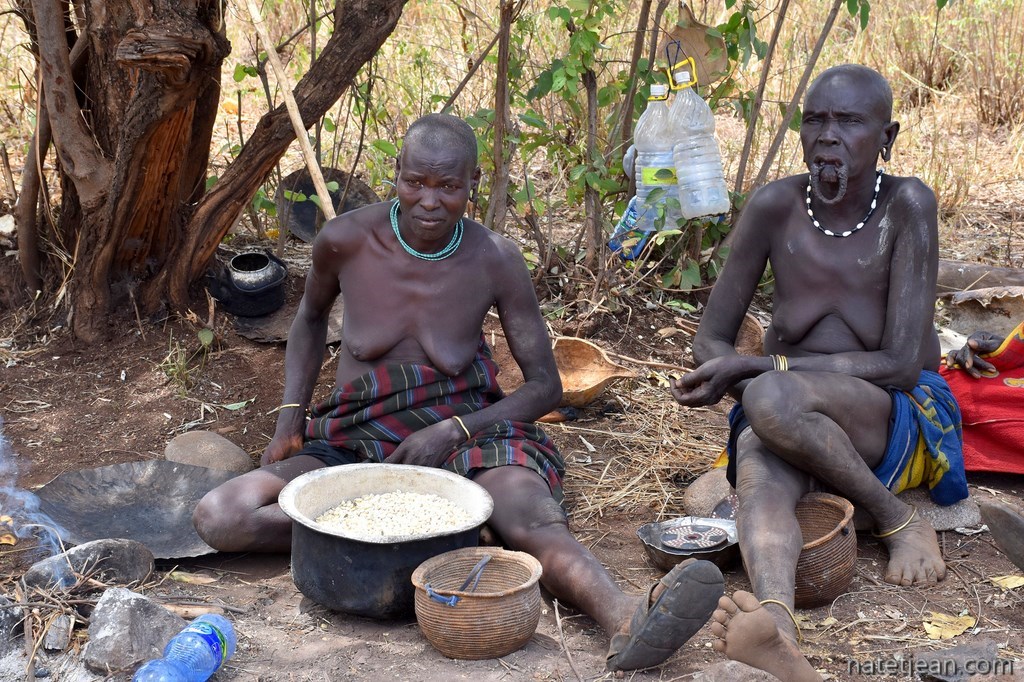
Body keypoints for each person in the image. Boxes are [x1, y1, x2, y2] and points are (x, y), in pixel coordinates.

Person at [193, 113, 723, 671]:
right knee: (223, 515)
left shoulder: (495, 258)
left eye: (448, 186)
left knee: (530, 517)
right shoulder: (346, 240)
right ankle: (450, 537)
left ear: (473, 183)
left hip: (467, 432)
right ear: (396, 174)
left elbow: (545, 386)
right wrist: (288, 423)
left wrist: (453, 430)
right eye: (414, 182)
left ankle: (625, 616)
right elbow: (308, 319)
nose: (428, 201)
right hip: (355, 438)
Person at [669, 65, 968, 681]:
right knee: (759, 471)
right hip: (787, 413)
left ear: (886, 137)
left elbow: (901, 363)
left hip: (888, 409)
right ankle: (775, 624)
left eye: (849, 122)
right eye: (815, 120)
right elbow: (710, 337)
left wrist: (763, 372)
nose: (828, 135)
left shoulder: (907, 205)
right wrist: (737, 376)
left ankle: (898, 518)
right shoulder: (775, 205)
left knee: (770, 400)